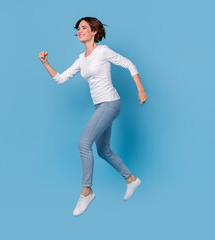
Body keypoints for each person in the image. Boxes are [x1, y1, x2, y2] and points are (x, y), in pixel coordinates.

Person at [39, 17, 148, 216]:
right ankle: (131, 179)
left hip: (110, 103)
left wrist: (140, 90)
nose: (79, 31)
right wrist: (46, 63)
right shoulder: (82, 59)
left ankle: (86, 191)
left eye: (84, 28)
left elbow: (129, 64)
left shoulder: (103, 51)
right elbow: (61, 79)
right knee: (103, 151)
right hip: (100, 107)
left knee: (83, 144)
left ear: (94, 31)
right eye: (78, 29)